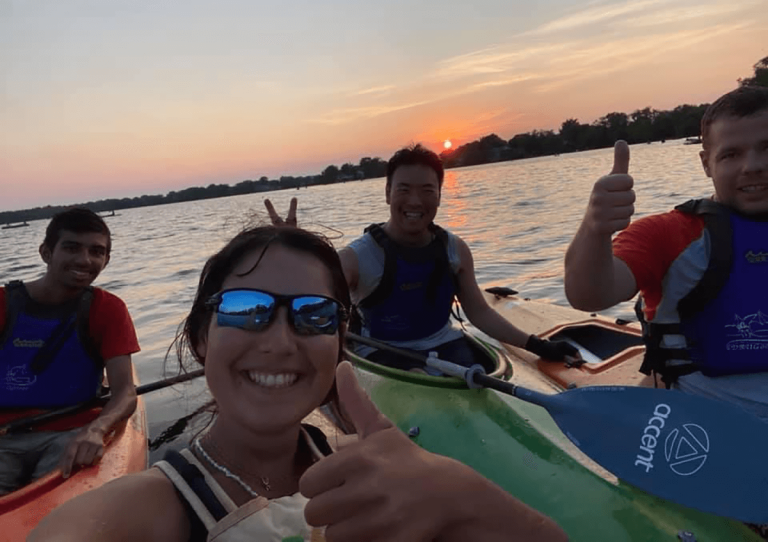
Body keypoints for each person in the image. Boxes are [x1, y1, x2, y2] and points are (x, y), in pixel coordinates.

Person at [29, 225, 568, 542]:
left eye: (313, 314)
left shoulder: (381, 477)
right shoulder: (144, 512)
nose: (281, 341)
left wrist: (463, 493)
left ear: (340, 341)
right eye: (246, 309)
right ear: (200, 338)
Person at [266, 145, 580, 373]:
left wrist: (539, 346)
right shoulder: (356, 258)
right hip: (381, 355)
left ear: (440, 195)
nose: (415, 201)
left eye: (427, 190)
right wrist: (290, 250)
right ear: (388, 193)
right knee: (417, 374)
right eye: (403, 189)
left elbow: (480, 313)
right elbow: (305, 301)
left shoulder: (455, 250)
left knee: (478, 369)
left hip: (442, 343)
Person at [564, 85, 768, 421]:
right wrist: (594, 227)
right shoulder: (667, 234)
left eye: (766, 148)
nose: (753, 166)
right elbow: (588, 295)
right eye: (731, 154)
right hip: (702, 429)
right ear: (707, 163)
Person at [0, 207, 139, 493]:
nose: (84, 260)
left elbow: (125, 392)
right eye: (72, 248)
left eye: (96, 251)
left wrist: (98, 429)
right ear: (46, 252)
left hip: (71, 433)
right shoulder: (3, 303)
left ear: (107, 260)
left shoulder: (109, 309)